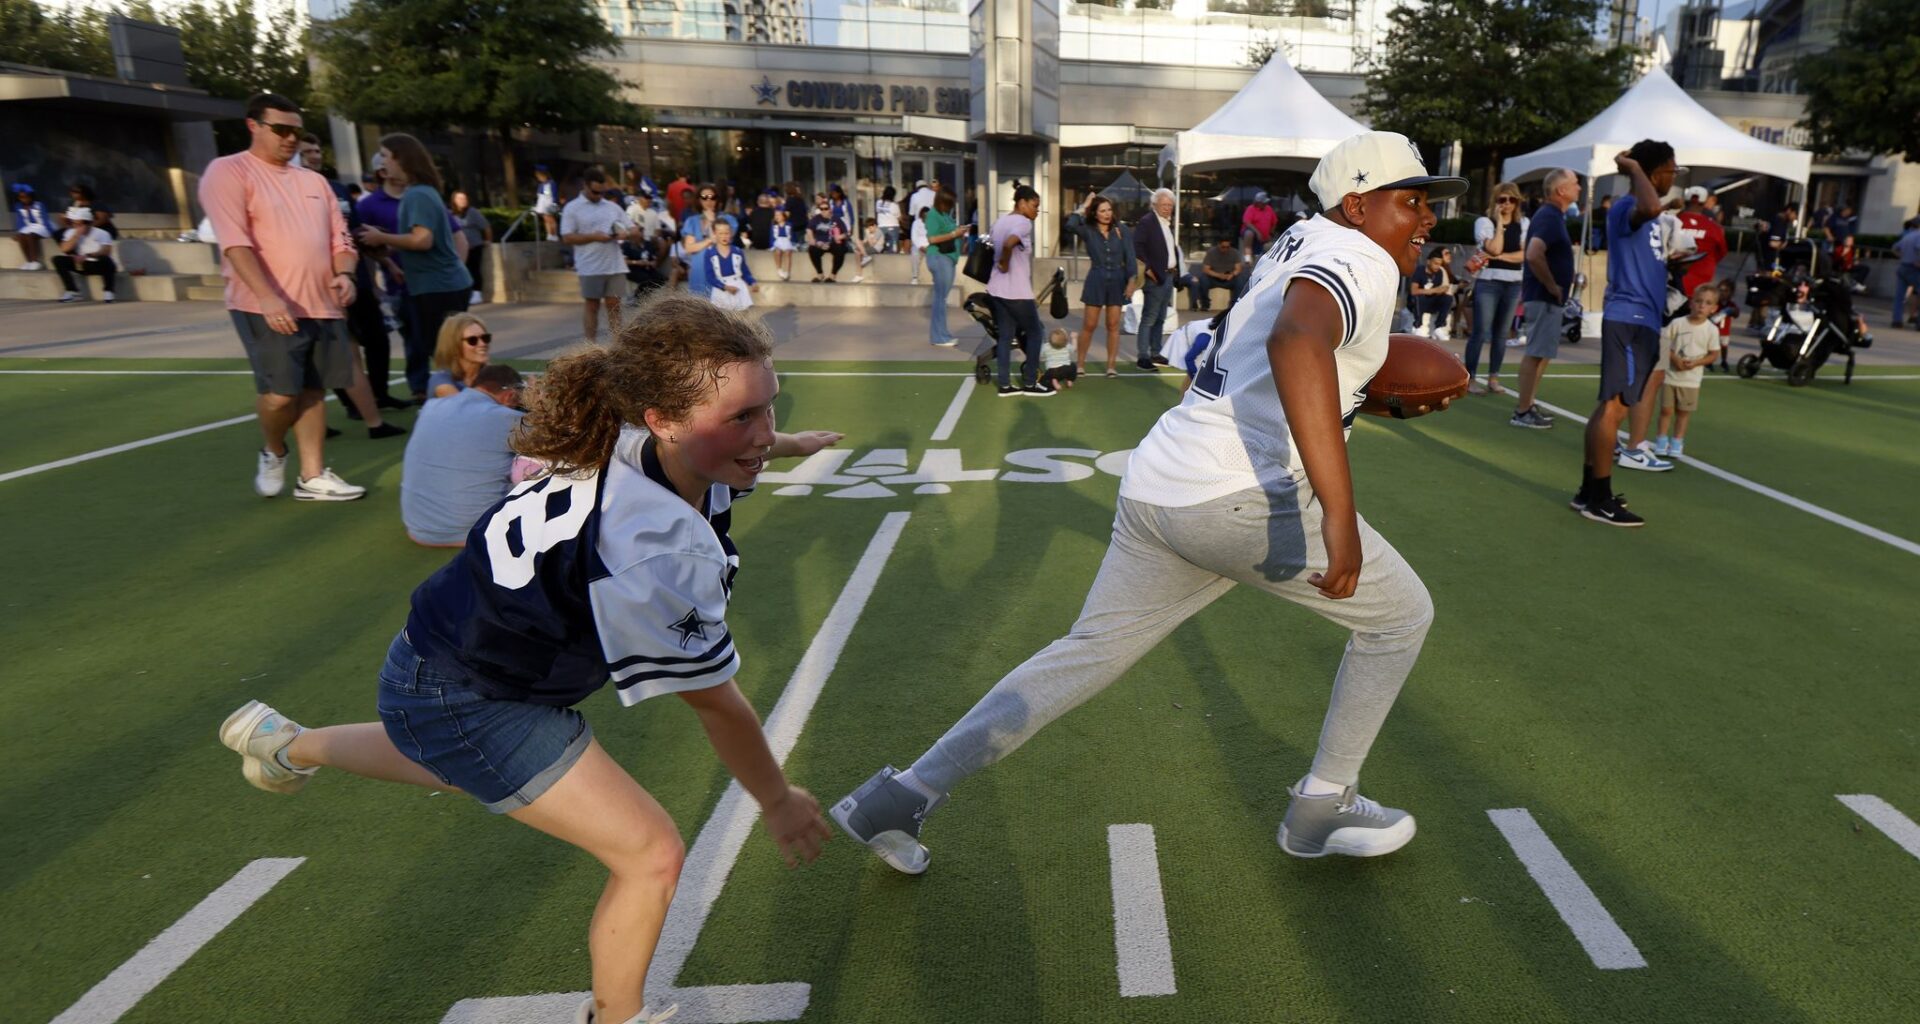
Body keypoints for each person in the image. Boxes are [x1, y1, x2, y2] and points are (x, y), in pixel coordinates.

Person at [831, 129, 1459, 875]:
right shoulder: (1359, 257)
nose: (1427, 220)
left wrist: (1354, 386)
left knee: (1086, 652)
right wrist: (1338, 511)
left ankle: (902, 794)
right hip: (1237, 493)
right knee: (1401, 617)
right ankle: (1323, 802)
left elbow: (1295, 343)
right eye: (1413, 201)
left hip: (1162, 479)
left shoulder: (1304, 237)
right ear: (1358, 205)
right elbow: (1297, 343)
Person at [217, 293, 841, 1024]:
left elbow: (729, 437)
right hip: (476, 689)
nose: (764, 431)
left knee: (461, 764)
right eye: (743, 418)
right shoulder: (653, 543)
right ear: (665, 419)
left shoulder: (630, 441)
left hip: (436, 658)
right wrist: (776, 798)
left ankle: (286, 745)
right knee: (650, 855)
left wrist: (784, 443)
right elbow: (715, 702)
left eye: (771, 408)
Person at [198, 92, 365, 501]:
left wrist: (345, 274)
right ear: (253, 126)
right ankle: (274, 451)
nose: (291, 139)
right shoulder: (228, 171)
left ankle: (312, 476)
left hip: (322, 303)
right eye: (282, 130)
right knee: (280, 394)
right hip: (263, 305)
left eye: (297, 131)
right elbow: (234, 243)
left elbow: (340, 239)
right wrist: (268, 297)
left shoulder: (315, 182)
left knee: (313, 390)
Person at [1573, 140, 1679, 526]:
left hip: (1642, 318)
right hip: (1630, 319)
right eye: (1671, 169)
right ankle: (1599, 498)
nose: (1674, 176)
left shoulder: (1645, 213)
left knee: (1608, 407)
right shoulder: (1628, 207)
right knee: (1616, 407)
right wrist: (1631, 167)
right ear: (1653, 172)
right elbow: (1649, 205)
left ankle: (1589, 491)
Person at [354, 133, 473, 403]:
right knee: (447, 351)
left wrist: (381, 238)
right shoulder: (423, 193)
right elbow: (425, 240)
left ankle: (461, 405)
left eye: (385, 154)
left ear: (401, 158)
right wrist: (389, 252)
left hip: (438, 288)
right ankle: (460, 402)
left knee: (446, 353)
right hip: (438, 285)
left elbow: (423, 239)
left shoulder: (417, 195)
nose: (381, 161)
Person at [400, 363, 527, 547]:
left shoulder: (431, 407)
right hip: (478, 531)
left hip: (419, 528)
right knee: (540, 463)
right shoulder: (504, 417)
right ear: (509, 396)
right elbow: (562, 439)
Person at [1511, 168, 1580, 430]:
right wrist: (1552, 285)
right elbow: (1533, 254)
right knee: (1536, 352)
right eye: (1575, 184)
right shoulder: (1549, 216)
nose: (1579, 188)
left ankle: (1527, 404)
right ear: (1561, 190)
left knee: (1542, 353)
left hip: (1547, 297)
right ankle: (1523, 410)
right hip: (1543, 296)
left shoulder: (1553, 216)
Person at [986, 184, 1053, 397]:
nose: (1036, 212)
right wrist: (1005, 261)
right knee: (1035, 332)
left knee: (1005, 337)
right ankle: (1031, 383)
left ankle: (1005, 386)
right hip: (1016, 291)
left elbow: (994, 245)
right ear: (1022, 203)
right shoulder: (1023, 223)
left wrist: (1003, 262)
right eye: (1034, 206)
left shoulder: (999, 222)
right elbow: (1009, 243)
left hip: (996, 288)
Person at [1466, 181, 1528, 395]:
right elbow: (1493, 247)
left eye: (1512, 199)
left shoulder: (1524, 223)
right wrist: (1500, 224)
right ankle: (1470, 378)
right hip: (1489, 282)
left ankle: (1494, 377)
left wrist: (1500, 257)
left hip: (1513, 284)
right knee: (1480, 332)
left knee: (1501, 334)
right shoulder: (1485, 222)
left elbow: (1524, 254)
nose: (1507, 204)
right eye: (1503, 199)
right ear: (1495, 201)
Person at [1064, 194, 1135, 376]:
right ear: (1095, 214)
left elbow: (1130, 256)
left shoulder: (1121, 230)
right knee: (1089, 324)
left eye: (1109, 210)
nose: (1107, 214)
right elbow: (1070, 225)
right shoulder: (1088, 230)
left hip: (1118, 279)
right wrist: (1084, 205)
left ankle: (1111, 366)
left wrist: (1131, 280)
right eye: (1102, 211)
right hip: (1096, 278)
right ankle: (1080, 364)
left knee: (1113, 325)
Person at [562, 168, 631, 345]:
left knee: (614, 306)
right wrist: (593, 236)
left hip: (614, 264)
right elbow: (567, 237)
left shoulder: (612, 207)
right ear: (585, 186)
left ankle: (617, 346)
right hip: (589, 265)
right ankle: (590, 346)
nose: (598, 195)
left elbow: (632, 228)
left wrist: (624, 233)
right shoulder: (573, 208)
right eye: (594, 192)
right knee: (591, 305)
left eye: (602, 192)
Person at [1652, 287, 1721, 459]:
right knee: (1666, 410)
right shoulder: (1678, 323)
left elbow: (1713, 354)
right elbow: (1664, 343)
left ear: (1714, 308)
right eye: (1698, 301)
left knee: (1683, 413)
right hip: (1670, 376)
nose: (1701, 306)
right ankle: (1661, 440)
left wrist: (1697, 362)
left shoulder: (1711, 330)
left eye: (1707, 303)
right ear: (1691, 302)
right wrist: (1674, 359)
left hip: (1691, 381)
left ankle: (1677, 442)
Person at [1132, 188, 1179, 371]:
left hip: (1168, 275)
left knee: (1160, 317)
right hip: (1156, 277)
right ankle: (1143, 356)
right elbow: (1138, 247)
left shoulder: (1166, 223)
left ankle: (1155, 352)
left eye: (1170, 205)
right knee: (1150, 317)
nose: (1167, 208)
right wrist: (1149, 270)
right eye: (1164, 205)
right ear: (1155, 205)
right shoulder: (1147, 222)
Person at [922, 190, 971, 348]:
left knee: (941, 299)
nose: (950, 206)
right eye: (949, 203)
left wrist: (960, 231)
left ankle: (942, 334)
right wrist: (954, 234)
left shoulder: (944, 214)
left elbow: (950, 231)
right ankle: (939, 337)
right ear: (942, 201)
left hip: (947, 259)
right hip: (939, 257)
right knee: (940, 299)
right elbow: (932, 238)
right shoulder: (933, 215)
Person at [680, 182, 737, 298]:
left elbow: (725, 240)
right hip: (699, 269)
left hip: (722, 270)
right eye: (704, 197)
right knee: (700, 310)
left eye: (712, 197)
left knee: (723, 310)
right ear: (699, 200)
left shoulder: (727, 219)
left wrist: (712, 221)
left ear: (717, 199)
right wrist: (709, 241)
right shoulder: (692, 221)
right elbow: (689, 248)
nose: (708, 201)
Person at [51, 206, 115, 303]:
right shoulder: (71, 232)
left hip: (96, 263)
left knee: (106, 260)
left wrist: (89, 255)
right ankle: (72, 291)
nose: (76, 226)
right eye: (75, 224)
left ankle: (108, 291)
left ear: (88, 224)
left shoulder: (102, 233)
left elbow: (106, 250)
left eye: (80, 224)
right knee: (58, 259)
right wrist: (76, 235)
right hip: (80, 264)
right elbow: (64, 248)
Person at [1675, 186, 1726, 300]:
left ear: (1686, 200)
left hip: (1673, 283)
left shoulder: (1673, 221)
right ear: (1704, 202)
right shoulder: (1714, 227)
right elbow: (1721, 252)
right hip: (1701, 285)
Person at [428, 312, 492, 397]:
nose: (482, 344)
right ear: (454, 345)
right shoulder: (441, 380)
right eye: (472, 340)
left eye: (485, 338)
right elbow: (465, 407)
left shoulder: (493, 376)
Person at [702, 220, 758, 310]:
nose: (724, 236)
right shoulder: (710, 253)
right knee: (722, 320)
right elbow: (710, 276)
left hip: (738, 288)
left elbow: (745, 271)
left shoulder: (738, 251)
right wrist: (725, 287)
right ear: (715, 234)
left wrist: (752, 282)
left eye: (726, 233)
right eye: (720, 233)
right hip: (720, 290)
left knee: (740, 319)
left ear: (731, 233)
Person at [452, 190, 491, 305]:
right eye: (460, 199)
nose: (463, 201)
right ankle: (466, 293)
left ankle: (477, 293)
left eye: (464, 199)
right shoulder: (451, 214)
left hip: (474, 246)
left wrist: (487, 240)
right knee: (463, 271)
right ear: (454, 200)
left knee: (474, 270)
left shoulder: (473, 212)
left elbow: (486, 227)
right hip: (458, 248)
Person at [1408, 247, 1454, 340]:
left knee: (1448, 298)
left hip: (1431, 301)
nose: (1437, 266)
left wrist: (1435, 290)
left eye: (1440, 264)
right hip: (1417, 302)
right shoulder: (1420, 270)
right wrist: (1433, 290)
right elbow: (1414, 290)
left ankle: (1438, 327)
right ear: (1428, 262)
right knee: (1418, 297)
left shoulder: (1439, 272)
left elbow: (1444, 288)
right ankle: (1417, 326)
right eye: (1435, 263)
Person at [1192, 236, 1243, 312]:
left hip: (1229, 277)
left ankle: (1234, 305)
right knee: (1203, 279)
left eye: (1227, 247)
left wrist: (1232, 274)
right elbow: (1205, 269)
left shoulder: (1234, 253)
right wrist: (1218, 275)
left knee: (1240, 280)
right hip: (1214, 277)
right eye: (1223, 247)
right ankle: (1205, 305)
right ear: (1218, 245)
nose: (1225, 249)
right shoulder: (1211, 252)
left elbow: (1238, 268)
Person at [806, 195, 848, 283]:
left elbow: (846, 233)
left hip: (833, 243)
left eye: (825, 208)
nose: (823, 211)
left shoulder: (836, 219)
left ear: (830, 209)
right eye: (821, 209)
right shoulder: (816, 219)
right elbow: (809, 230)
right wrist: (814, 241)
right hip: (820, 242)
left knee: (840, 250)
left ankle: (833, 276)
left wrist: (839, 237)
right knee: (812, 249)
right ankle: (820, 274)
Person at [11, 183, 51, 269]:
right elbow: (20, 221)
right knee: (21, 236)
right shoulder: (18, 206)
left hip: (41, 226)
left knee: (30, 235)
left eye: (26, 197)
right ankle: (28, 261)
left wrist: (49, 231)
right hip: (29, 227)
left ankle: (35, 261)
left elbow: (45, 219)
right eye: (21, 197)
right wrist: (19, 232)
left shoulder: (39, 205)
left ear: (31, 196)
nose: (24, 199)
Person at [1890, 217, 1920, 330]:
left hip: (1903, 266)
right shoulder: (1919, 236)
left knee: (1899, 297)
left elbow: (1894, 248)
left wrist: (1901, 257)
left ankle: (1897, 320)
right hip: (1915, 269)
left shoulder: (1907, 235)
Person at [906, 179, 936, 285]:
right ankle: (915, 277)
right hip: (919, 244)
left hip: (930, 244)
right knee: (914, 253)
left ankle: (935, 278)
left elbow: (911, 212)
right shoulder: (934, 194)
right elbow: (914, 237)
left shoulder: (914, 196)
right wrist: (921, 246)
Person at [1241, 189, 1279, 261]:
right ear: (1257, 202)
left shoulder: (1269, 208)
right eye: (1263, 202)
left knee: (1268, 247)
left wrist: (1271, 233)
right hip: (1253, 234)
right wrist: (1257, 232)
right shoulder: (1251, 208)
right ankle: (1247, 260)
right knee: (1249, 233)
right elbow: (1247, 222)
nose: (1265, 204)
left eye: (1266, 202)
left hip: (1265, 236)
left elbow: (1274, 222)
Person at [1038, 327, 1077, 391]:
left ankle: (1054, 381)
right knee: (1073, 366)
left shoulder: (1046, 346)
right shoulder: (1066, 345)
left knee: (1046, 378)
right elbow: (1074, 349)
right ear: (1065, 340)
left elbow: (1040, 356)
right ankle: (1070, 381)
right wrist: (1074, 338)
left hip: (1053, 371)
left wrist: (1043, 358)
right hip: (1067, 369)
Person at [533, 164, 559, 242]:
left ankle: (554, 234)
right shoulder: (541, 185)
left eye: (539, 176)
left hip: (549, 203)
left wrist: (554, 203)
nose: (538, 177)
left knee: (550, 219)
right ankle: (549, 234)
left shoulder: (551, 183)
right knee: (546, 219)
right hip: (542, 203)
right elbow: (540, 195)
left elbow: (554, 194)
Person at [769, 207, 796, 281]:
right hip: (778, 241)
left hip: (786, 241)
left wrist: (793, 244)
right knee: (777, 251)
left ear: (783, 216)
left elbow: (792, 235)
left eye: (779, 215)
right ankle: (779, 269)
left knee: (788, 252)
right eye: (775, 215)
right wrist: (771, 245)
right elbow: (771, 236)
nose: (777, 217)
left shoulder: (789, 225)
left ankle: (787, 271)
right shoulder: (774, 226)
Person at [875, 185, 902, 252]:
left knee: (881, 246)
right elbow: (899, 217)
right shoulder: (894, 205)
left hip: (881, 227)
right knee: (892, 248)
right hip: (892, 228)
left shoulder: (878, 203)